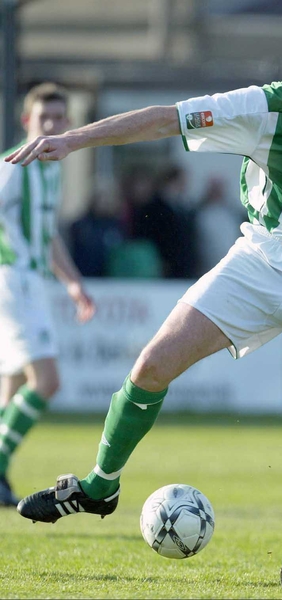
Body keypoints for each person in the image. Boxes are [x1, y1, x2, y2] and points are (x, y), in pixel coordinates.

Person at [7, 19, 282, 590]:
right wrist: (75, 141)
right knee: (149, 368)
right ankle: (100, 486)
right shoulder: (266, 106)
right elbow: (166, 118)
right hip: (261, 257)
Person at [0, 83, 96, 507]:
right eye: (44, 119)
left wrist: (72, 282)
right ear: (27, 123)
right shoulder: (14, 166)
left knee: (13, 386)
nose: (52, 125)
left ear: (68, 124)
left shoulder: (51, 169)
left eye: (59, 118)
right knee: (47, 381)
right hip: (13, 279)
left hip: (32, 280)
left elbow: (47, 234)